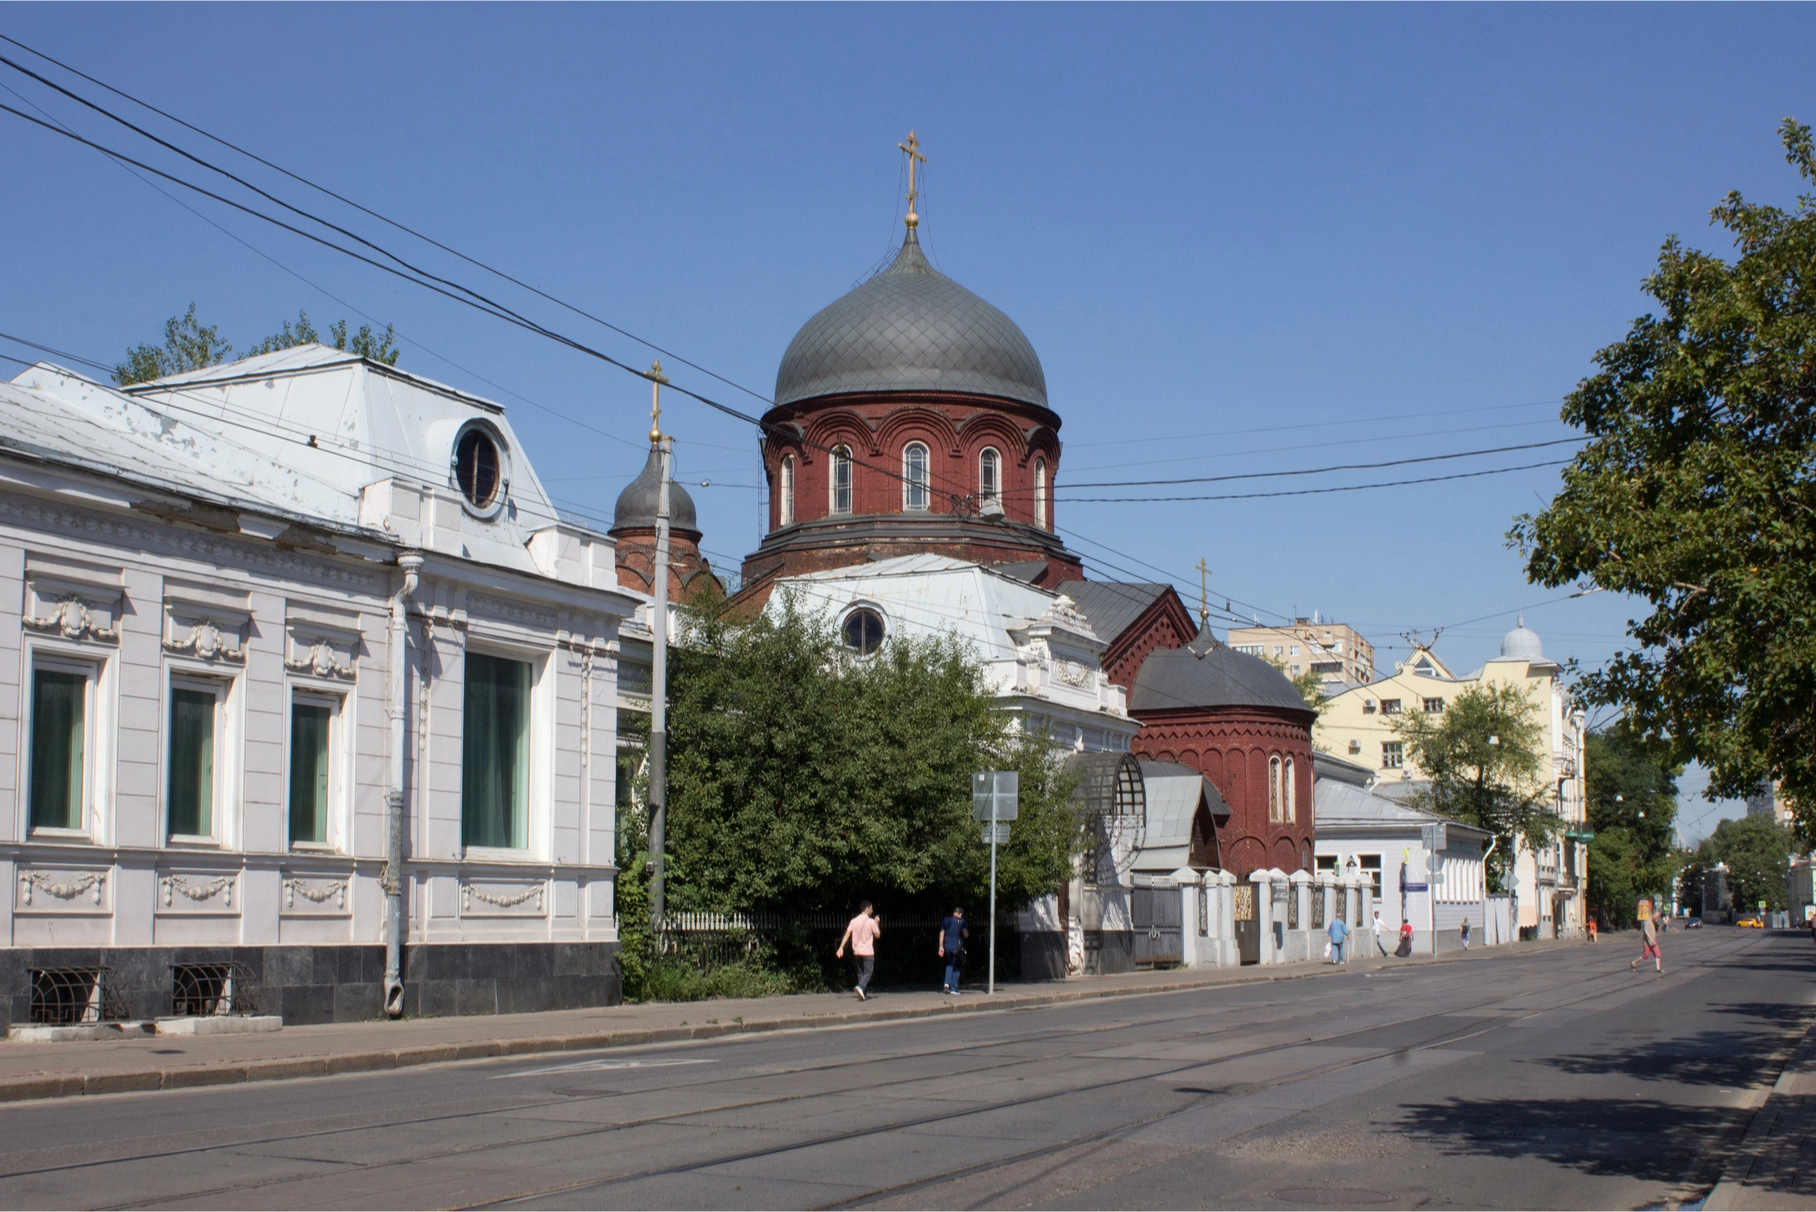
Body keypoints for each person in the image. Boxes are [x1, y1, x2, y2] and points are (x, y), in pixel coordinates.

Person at [835, 902, 881, 1000]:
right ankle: (860, 987)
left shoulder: (853, 921)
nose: (872, 910)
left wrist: (841, 947)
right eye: (871, 908)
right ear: (867, 909)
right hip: (868, 952)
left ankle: (863, 994)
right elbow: (877, 935)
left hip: (856, 951)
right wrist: (877, 923)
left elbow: (847, 934)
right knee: (868, 972)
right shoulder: (871, 922)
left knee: (861, 972)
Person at [938, 906, 968, 994]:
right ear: (960, 914)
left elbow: (941, 933)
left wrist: (941, 946)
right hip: (957, 947)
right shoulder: (962, 922)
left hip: (947, 946)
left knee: (949, 964)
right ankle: (954, 988)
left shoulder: (946, 920)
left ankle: (946, 984)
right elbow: (965, 934)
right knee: (957, 966)